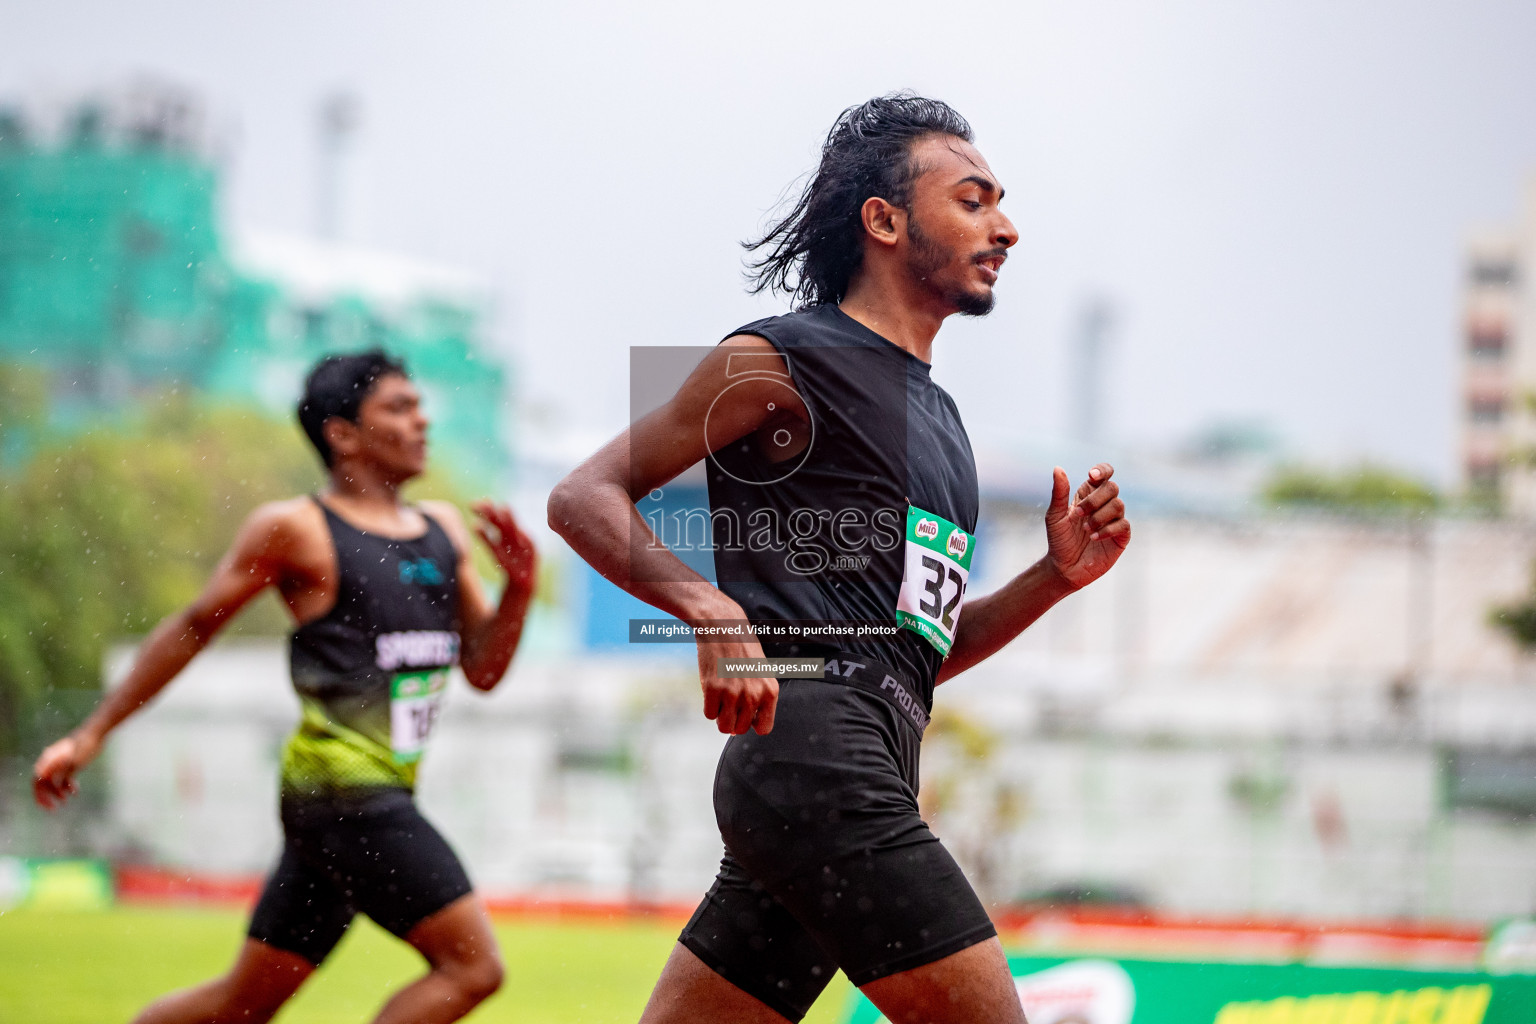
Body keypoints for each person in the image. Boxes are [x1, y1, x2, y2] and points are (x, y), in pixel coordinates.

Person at [548, 93, 1131, 1024]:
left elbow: (918, 649)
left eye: (1001, 203)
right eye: (973, 201)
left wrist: (1053, 577)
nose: (1007, 227)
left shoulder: (939, 418)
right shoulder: (781, 359)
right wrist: (710, 609)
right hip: (822, 766)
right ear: (885, 221)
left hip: (830, 774)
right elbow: (584, 495)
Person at [32, 350, 537, 1024]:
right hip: (345, 795)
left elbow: (484, 670)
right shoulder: (297, 529)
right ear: (343, 433)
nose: (423, 421)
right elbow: (190, 629)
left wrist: (521, 591)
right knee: (474, 968)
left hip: (350, 801)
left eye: (420, 406)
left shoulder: (443, 531)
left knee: (241, 1005)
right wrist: (89, 734)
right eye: (399, 407)